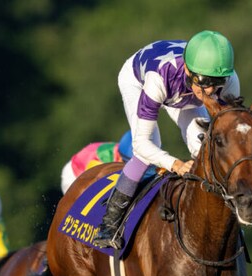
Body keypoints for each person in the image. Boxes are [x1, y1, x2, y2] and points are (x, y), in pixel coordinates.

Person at [93, 30, 241, 249]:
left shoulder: (229, 81)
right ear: (188, 70)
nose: (210, 90)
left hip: (183, 93)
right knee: (150, 148)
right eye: (204, 81)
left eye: (217, 82)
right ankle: (109, 223)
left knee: (204, 147)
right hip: (139, 81)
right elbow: (141, 144)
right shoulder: (159, 78)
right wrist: (176, 164)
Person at [60, 131, 133, 194]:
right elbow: (92, 184)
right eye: (125, 162)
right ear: (120, 157)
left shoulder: (124, 150)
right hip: (73, 175)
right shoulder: (103, 159)